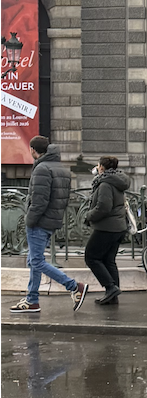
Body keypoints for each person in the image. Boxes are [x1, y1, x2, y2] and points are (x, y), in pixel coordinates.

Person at [11, 135, 87, 314]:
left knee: (36, 261)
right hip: (52, 220)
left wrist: (29, 220)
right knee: (33, 260)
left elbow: (39, 201)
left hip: (40, 221)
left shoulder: (42, 169)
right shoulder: (60, 168)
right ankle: (32, 300)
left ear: (32, 149)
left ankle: (74, 286)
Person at [83, 156, 130, 305]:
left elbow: (103, 207)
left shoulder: (105, 184)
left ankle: (110, 287)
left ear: (102, 167)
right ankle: (113, 295)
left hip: (107, 228)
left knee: (91, 257)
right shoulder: (117, 181)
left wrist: (88, 215)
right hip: (118, 227)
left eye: (98, 165)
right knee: (109, 260)